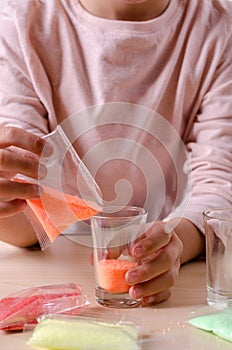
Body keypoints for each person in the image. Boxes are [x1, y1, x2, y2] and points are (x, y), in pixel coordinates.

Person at [0, 0, 232, 305]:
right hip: (60, 275)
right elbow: (26, 211)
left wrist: (173, 244)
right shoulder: (22, 21)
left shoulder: (218, 27)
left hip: (180, 282)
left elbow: (218, 181)